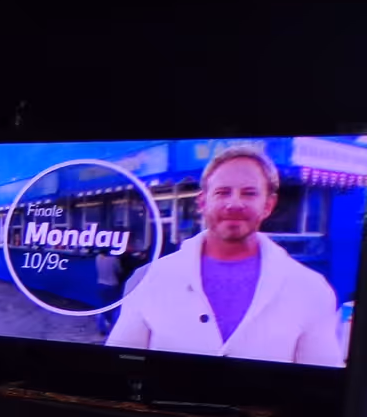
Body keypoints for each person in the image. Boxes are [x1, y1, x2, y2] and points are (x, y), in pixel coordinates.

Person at [106, 142, 343, 366]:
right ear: (202, 202)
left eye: (249, 193)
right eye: (222, 192)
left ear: (268, 205)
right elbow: (119, 367)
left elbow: (319, 387)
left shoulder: (311, 289)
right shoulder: (149, 279)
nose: (234, 203)